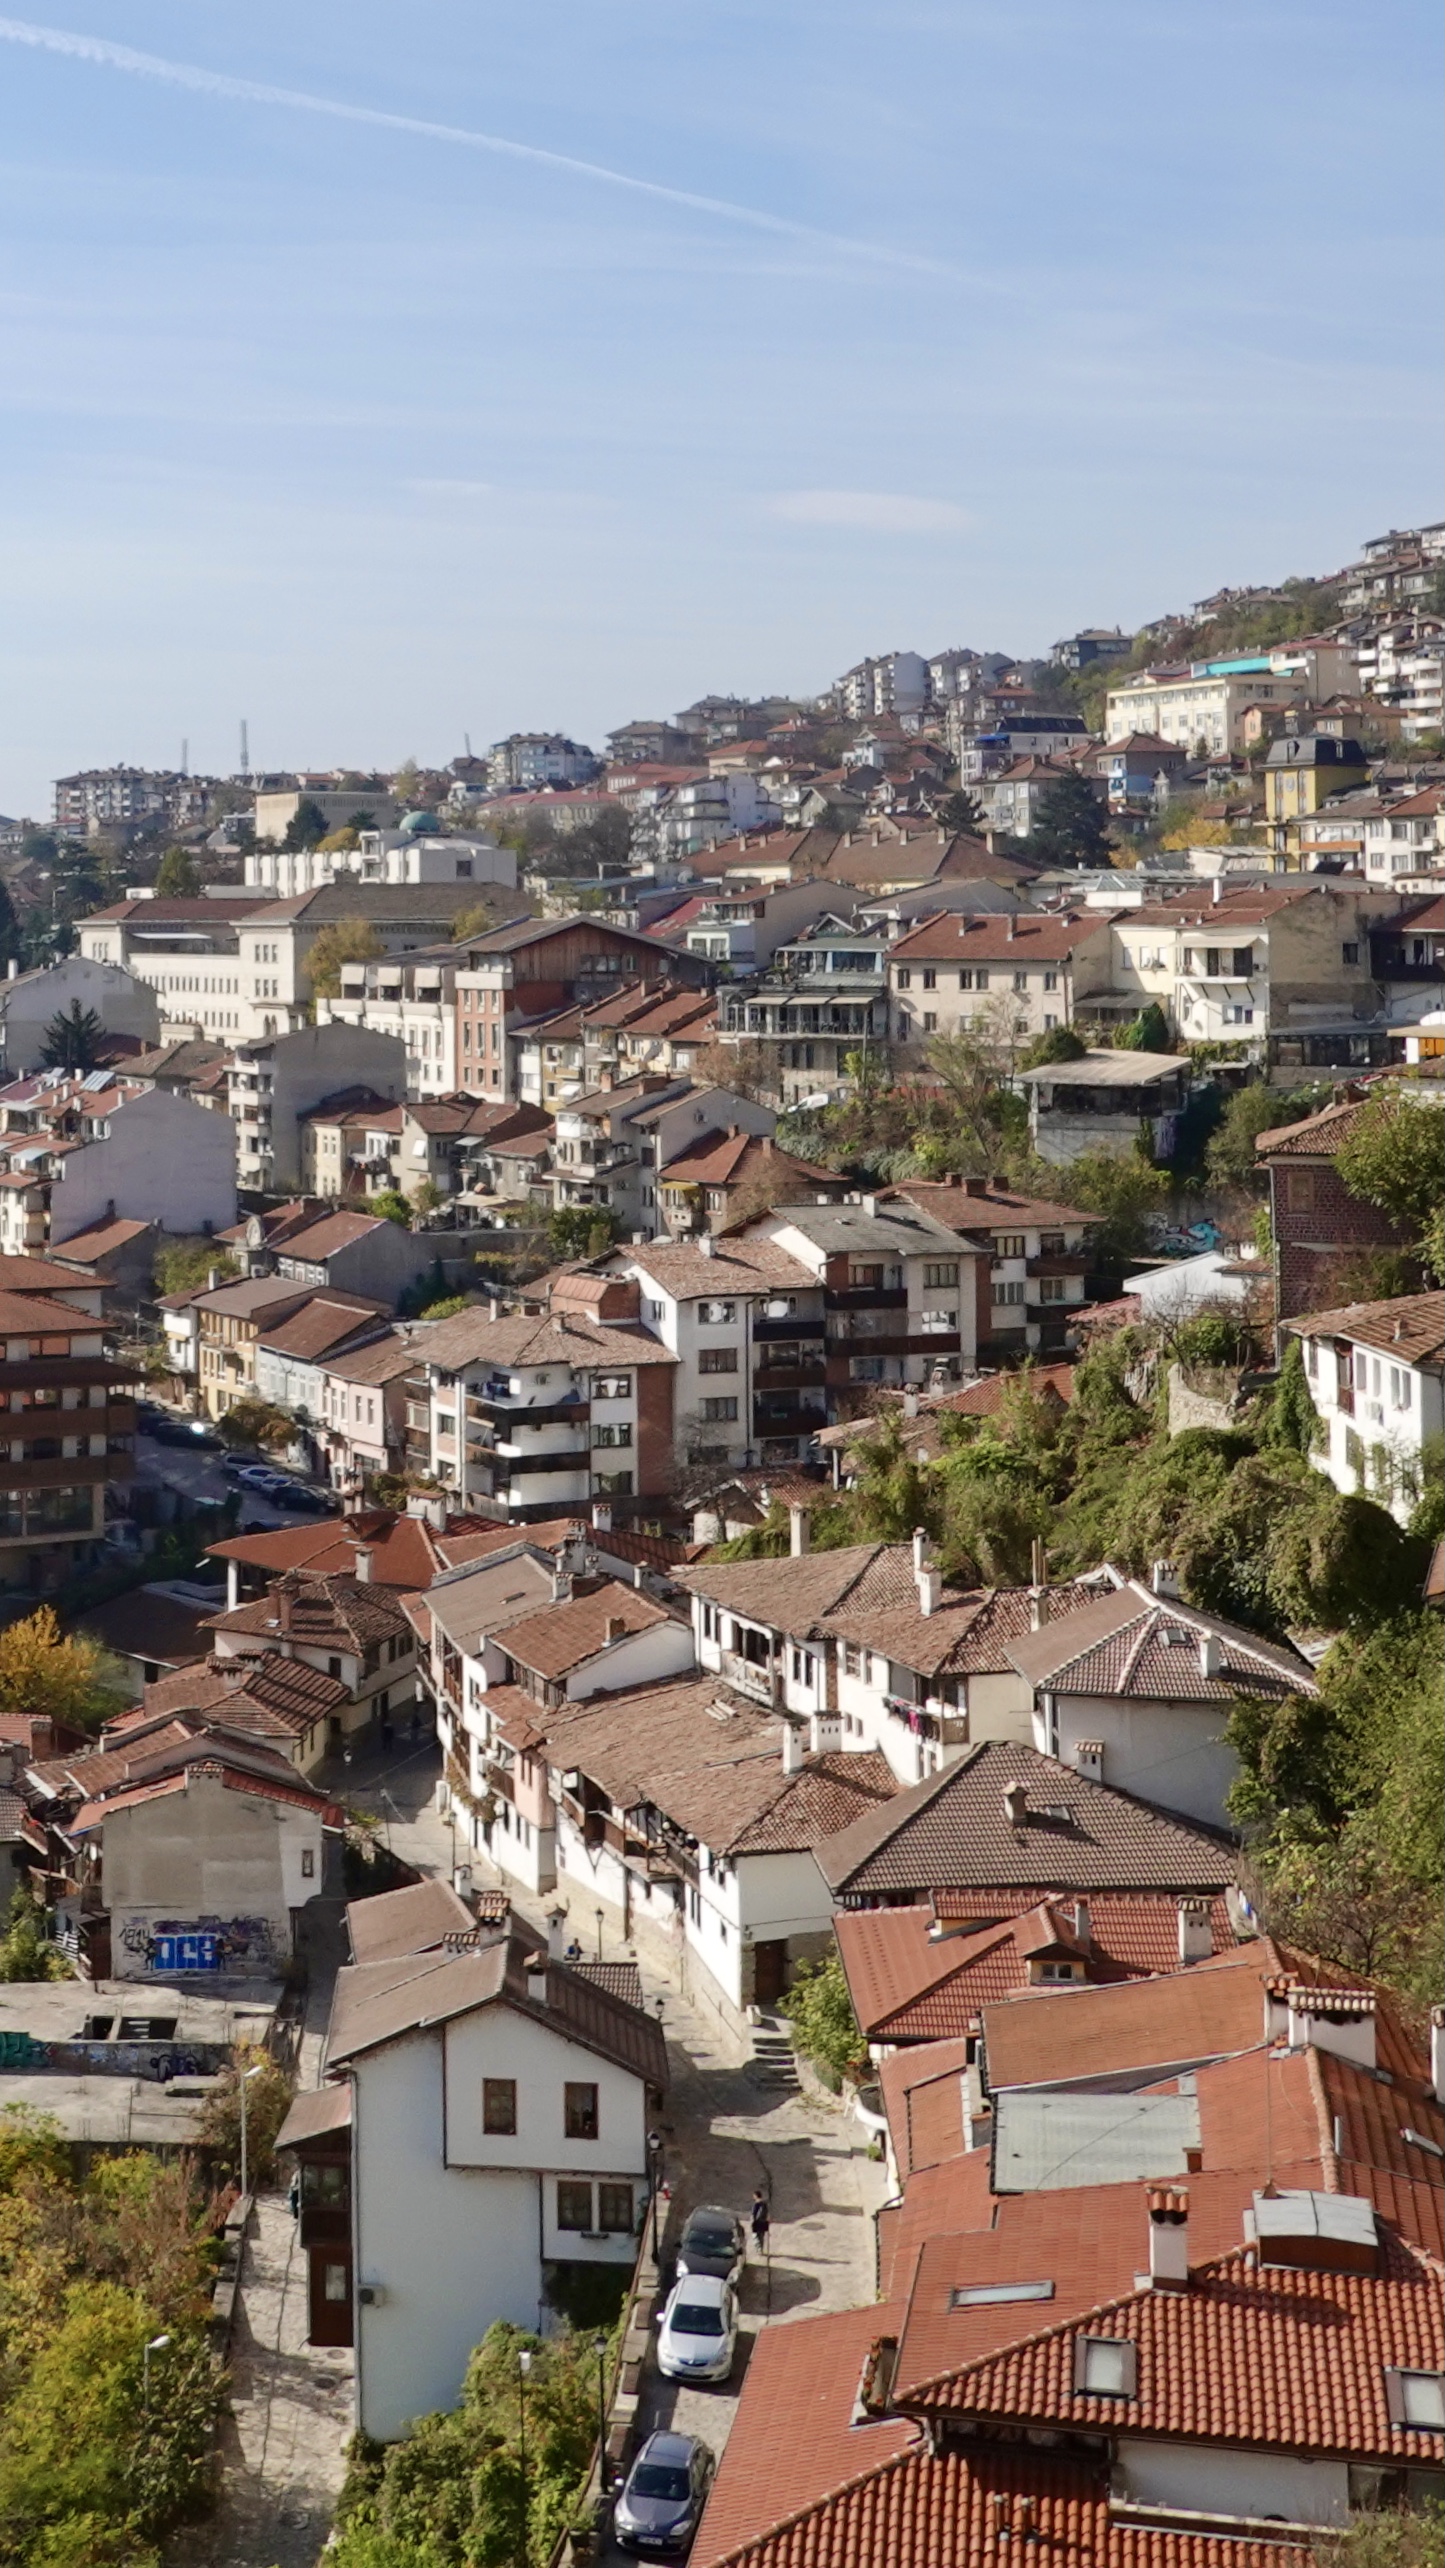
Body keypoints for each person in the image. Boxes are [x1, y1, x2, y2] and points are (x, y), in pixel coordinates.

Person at [750, 2187, 771, 2256]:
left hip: (757, 2222)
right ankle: (760, 2250)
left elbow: (754, 2214)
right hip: (763, 2222)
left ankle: (758, 2249)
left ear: (756, 2196)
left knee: (756, 2236)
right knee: (761, 2236)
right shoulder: (764, 2204)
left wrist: (753, 2221)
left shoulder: (756, 2204)